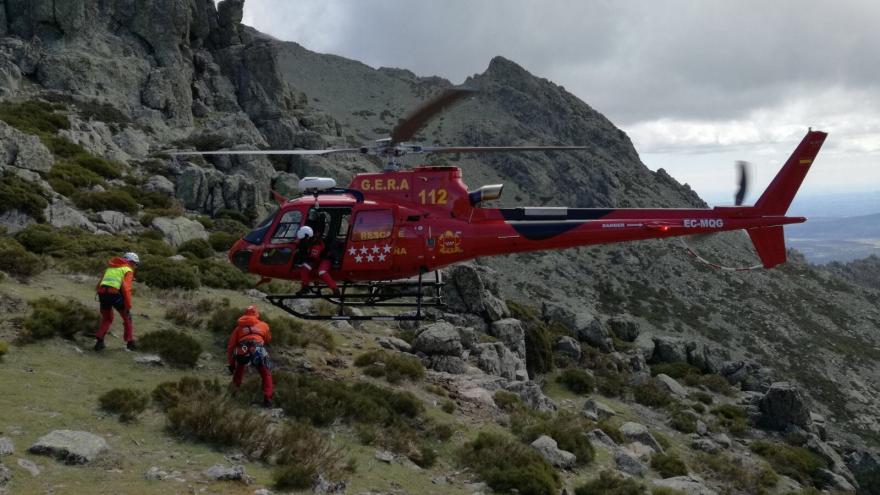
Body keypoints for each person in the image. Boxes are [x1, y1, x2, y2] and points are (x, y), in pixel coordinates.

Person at [226, 305, 274, 407]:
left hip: (243, 349)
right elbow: (268, 339)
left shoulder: (238, 328)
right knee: (266, 373)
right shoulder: (264, 325)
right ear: (256, 314)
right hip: (257, 348)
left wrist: (231, 364)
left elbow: (230, 347)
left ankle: (233, 392)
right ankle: (267, 397)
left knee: (239, 369)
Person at [94, 252, 139, 351]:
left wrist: (101, 294)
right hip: (114, 294)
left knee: (107, 318)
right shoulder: (127, 270)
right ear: (130, 262)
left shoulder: (110, 268)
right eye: (135, 263)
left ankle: (99, 341)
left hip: (102, 294)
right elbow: (126, 289)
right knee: (127, 317)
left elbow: (99, 284)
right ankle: (130, 342)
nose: (135, 266)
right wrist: (128, 305)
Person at [295, 225, 339, 295]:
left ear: (307, 236)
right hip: (317, 259)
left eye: (304, 238)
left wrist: (302, 260)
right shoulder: (310, 241)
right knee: (304, 268)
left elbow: (312, 258)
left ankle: (335, 289)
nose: (303, 240)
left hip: (326, 259)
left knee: (322, 272)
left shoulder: (316, 243)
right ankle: (305, 287)